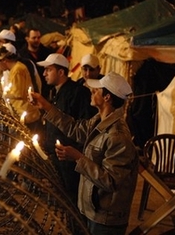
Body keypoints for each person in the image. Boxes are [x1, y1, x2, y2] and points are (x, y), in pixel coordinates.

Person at [30, 72, 139, 235]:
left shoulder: (118, 136)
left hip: (106, 217)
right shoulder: (98, 120)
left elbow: (111, 181)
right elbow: (74, 128)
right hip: (92, 210)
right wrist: (46, 106)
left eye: (96, 91)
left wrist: (77, 157)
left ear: (107, 97)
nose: (92, 92)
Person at [36, 53, 95, 205]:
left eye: (48, 70)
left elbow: (83, 126)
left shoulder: (79, 92)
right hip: (58, 156)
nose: (44, 74)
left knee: (70, 200)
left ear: (61, 72)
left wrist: (76, 154)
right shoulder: (56, 92)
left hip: (69, 159)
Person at [0, 43, 42, 134]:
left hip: (27, 115)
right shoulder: (15, 69)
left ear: (4, 60)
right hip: (23, 113)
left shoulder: (17, 70)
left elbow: (17, 93)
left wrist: (2, 94)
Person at [19, 28, 53, 99]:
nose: (37, 40)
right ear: (27, 39)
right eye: (34, 38)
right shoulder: (21, 55)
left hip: (45, 91)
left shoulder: (48, 53)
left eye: (38, 37)